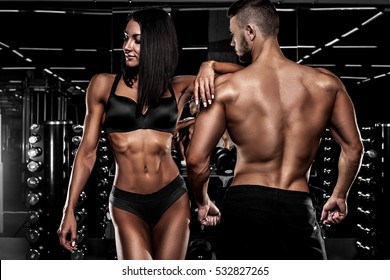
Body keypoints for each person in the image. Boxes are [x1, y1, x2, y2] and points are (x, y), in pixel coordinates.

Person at [57, 7, 242, 260]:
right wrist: (69, 209)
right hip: (126, 203)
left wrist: (209, 65)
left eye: (137, 40)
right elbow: (87, 153)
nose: (127, 46)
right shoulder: (102, 85)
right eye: (125, 37)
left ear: (156, 44)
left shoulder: (178, 88)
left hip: (172, 199)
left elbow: (247, 74)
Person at [186, 0, 364, 260]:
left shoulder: (228, 88)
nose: (232, 43)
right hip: (298, 207)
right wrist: (339, 194)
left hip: (245, 205)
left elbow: (195, 160)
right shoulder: (326, 84)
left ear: (250, 32)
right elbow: (354, 148)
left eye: (233, 34)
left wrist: (203, 202)